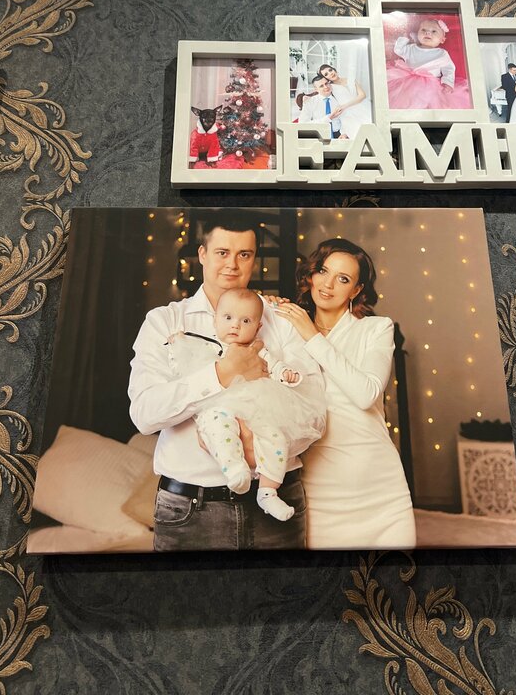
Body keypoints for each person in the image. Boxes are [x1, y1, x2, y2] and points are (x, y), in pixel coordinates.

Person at [128, 212, 325, 550]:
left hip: (278, 504)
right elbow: (144, 415)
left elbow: (316, 413)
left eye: (244, 254)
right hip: (190, 509)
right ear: (203, 254)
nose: (232, 265)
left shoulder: (280, 319)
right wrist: (223, 373)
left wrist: (256, 448)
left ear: (254, 259)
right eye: (222, 252)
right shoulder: (165, 321)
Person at [272, 238, 416, 549]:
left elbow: (366, 394)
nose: (328, 284)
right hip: (318, 485)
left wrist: (312, 336)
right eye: (323, 271)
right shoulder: (287, 328)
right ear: (311, 274)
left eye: (343, 278)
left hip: (379, 484)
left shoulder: (376, 328)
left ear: (356, 290)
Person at [167, 287, 326, 521]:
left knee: (276, 437)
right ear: (215, 320)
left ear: (258, 327)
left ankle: (267, 491)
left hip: (257, 406)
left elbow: (275, 366)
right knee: (218, 426)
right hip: (221, 405)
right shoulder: (208, 345)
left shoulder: (258, 349)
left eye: (245, 321)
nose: (235, 325)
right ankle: (235, 469)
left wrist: (287, 374)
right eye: (228, 318)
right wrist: (177, 346)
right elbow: (184, 367)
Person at [386, 17, 469, 110]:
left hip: (431, 85)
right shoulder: (411, 48)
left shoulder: (441, 53)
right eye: (423, 30)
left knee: (431, 104)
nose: (428, 33)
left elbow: (449, 69)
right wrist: (404, 38)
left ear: (442, 39)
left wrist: (447, 82)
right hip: (407, 81)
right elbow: (399, 50)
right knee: (404, 102)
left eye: (434, 31)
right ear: (417, 34)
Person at [317, 63, 373, 140]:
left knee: (371, 124)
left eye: (330, 70)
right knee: (359, 133)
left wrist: (344, 105)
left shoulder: (351, 79)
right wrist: (306, 96)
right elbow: (319, 92)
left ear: (334, 70)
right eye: (326, 74)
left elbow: (362, 95)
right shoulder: (330, 87)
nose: (330, 73)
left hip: (361, 106)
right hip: (347, 113)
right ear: (326, 78)